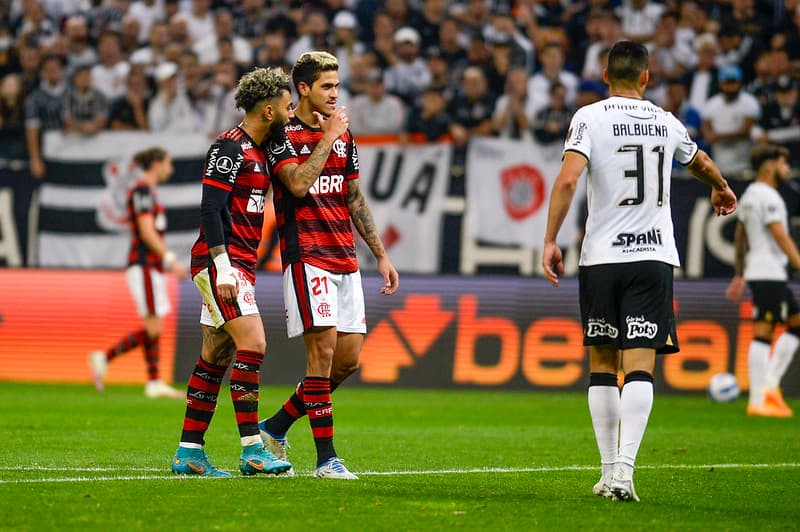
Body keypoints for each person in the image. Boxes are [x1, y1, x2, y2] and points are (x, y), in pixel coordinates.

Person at [542, 41, 737, 502]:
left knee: (603, 365)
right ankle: (624, 473)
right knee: (641, 365)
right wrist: (722, 189)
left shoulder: (589, 117)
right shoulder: (666, 121)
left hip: (602, 258)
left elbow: (569, 178)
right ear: (646, 78)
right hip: (652, 258)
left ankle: (610, 471)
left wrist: (550, 238)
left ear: (606, 75)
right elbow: (701, 161)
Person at [259, 51, 400, 480]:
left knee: (347, 361)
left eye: (338, 87)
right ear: (303, 88)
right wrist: (329, 137)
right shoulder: (280, 135)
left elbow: (353, 195)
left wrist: (379, 253)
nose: (335, 95)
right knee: (320, 357)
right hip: (308, 259)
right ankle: (327, 459)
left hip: (345, 259)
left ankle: (277, 424)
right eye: (327, 87)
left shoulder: (343, 134)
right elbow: (298, 185)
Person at [169, 67, 297, 478]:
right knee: (254, 343)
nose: (290, 110)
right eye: (285, 104)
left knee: (216, 355)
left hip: (239, 264)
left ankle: (189, 452)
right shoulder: (230, 147)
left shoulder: (263, 148)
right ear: (266, 109)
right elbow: (210, 209)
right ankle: (253, 450)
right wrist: (223, 268)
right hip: (220, 263)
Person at [89, 147, 189, 399]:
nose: (171, 169)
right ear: (156, 164)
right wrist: (170, 259)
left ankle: (154, 382)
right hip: (144, 264)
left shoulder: (148, 192)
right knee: (154, 328)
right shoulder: (141, 190)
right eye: (168, 163)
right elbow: (146, 231)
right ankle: (105, 357)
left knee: (155, 324)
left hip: (150, 267)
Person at [725, 144, 798, 418]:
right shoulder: (768, 197)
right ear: (769, 167)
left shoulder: (748, 196)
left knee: (795, 323)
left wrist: (740, 273)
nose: (787, 169)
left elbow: (740, 238)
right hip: (768, 272)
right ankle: (759, 397)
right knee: (764, 331)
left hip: (763, 271)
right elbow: (779, 234)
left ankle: (769, 387)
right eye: (783, 163)